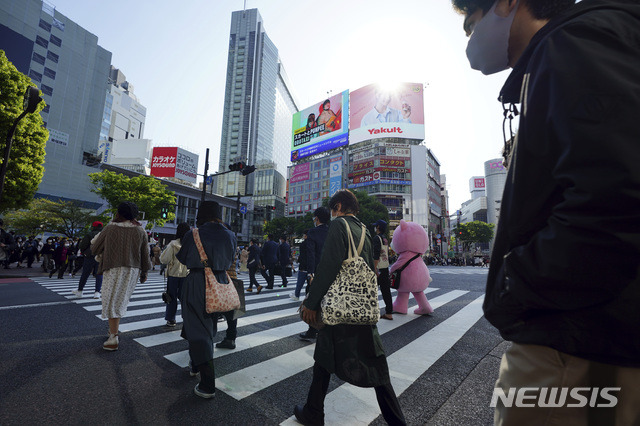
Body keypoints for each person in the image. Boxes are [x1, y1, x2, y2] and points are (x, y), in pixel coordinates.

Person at [453, 0, 640, 424]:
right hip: (598, 333)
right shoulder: (581, 44)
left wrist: (512, 285)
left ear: (506, 4)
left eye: (470, 23)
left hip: (576, 344)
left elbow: (617, 199)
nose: (469, 40)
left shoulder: (575, 42)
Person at [297, 190, 406, 425]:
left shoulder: (339, 226)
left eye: (332, 210)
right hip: (361, 307)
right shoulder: (365, 230)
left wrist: (311, 303)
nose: (332, 214)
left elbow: (328, 267)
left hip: (340, 306)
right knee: (375, 362)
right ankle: (397, 420)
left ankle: (313, 413)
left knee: (324, 358)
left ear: (337, 207)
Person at [176, 201, 237, 398]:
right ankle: (195, 363)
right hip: (220, 281)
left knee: (197, 328)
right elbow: (231, 259)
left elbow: (183, 258)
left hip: (197, 282)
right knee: (208, 327)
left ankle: (207, 383)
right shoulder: (230, 234)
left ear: (200, 215)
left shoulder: (193, 234)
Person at [91, 202, 151, 351]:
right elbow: (145, 254)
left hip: (112, 266)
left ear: (119, 213)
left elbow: (95, 248)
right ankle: (112, 331)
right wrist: (144, 272)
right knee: (120, 299)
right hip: (132, 270)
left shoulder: (110, 228)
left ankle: (113, 337)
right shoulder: (140, 230)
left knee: (111, 299)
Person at [299, 207, 330, 342]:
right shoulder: (332, 231)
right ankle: (326, 329)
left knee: (313, 299)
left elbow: (311, 254)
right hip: (330, 271)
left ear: (316, 218)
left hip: (316, 271)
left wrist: (310, 273)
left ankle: (312, 330)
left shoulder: (313, 232)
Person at [160, 222, 190, 327]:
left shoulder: (173, 244)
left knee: (171, 297)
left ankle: (171, 319)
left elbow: (164, 259)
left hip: (173, 275)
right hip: (186, 275)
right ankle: (187, 318)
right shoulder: (190, 244)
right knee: (185, 298)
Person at [72, 221, 104, 299]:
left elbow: (82, 246)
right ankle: (97, 292)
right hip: (101, 256)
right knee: (99, 274)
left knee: (85, 273)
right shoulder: (104, 235)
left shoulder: (89, 234)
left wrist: (84, 252)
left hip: (90, 256)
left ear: (93, 226)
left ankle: (80, 291)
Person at [372, 219, 393, 320]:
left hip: (378, 268)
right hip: (385, 267)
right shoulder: (385, 239)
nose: (375, 228)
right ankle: (389, 312)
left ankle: (372, 312)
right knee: (386, 291)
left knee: (372, 291)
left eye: (376, 226)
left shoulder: (377, 238)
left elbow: (376, 255)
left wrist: (374, 269)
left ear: (379, 227)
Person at [290, 230, 309, 301]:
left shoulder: (304, 244)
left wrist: (299, 260)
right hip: (312, 267)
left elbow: (303, 256)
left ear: (306, 235)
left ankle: (296, 295)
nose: (303, 237)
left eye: (304, 235)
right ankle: (308, 296)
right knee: (310, 283)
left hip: (303, 266)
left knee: (300, 282)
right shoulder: (314, 243)